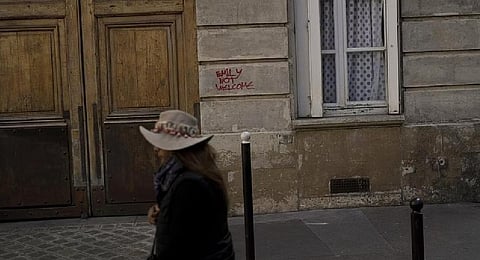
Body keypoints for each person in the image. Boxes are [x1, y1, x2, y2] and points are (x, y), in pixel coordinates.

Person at [139, 110, 235, 260]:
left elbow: (176, 244)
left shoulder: (188, 184)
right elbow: (193, 223)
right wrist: (164, 212)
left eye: (160, 144)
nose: (156, 149)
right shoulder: (197, 173)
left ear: (176, 149)